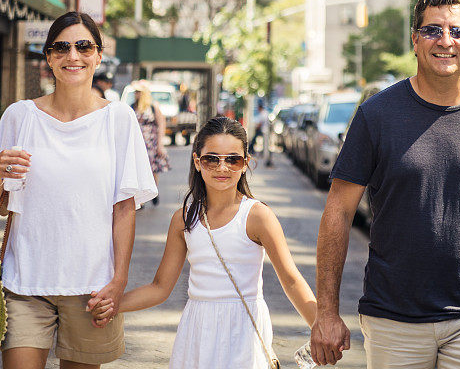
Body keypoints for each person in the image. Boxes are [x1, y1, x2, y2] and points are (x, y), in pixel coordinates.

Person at [311, 0, 460, 369]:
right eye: (432, 30)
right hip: (393, 317)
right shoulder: (376, 117)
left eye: (457, 31)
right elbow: (338, 213)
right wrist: (326, 312)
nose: (445, 41)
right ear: (415, 39)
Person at [89, 115, 317, 368]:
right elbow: (160, 287)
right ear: (197, 162)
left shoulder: (257, 216)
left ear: (245, 163)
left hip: (244, 330)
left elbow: (291, 279)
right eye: (212, 159)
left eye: (233, 159)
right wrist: (112, 306)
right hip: (197, 330)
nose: (222, 168)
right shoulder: (184, 218)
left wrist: (321, 326)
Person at [0, 10, 157, 369]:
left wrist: (119, 280)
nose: (73, 56)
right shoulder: (19, 117)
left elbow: (124, 209)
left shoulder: (118, 119)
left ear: (98, 56)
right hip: (25, 283)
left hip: (92, 288)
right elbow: (3, 204)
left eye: (84, 46)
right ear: (49, 58)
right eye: (62, 47)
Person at [131, 82, 170, 205]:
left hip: (150, 143)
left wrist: (160, 144)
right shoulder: (132, 106)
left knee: (152, 169)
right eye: (135, 92)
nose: (136, 94)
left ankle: (153, 190)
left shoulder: (153, 107)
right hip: (137, 142)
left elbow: (161, 124)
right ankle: (141, 199)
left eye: (138, 92)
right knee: (137, 169)